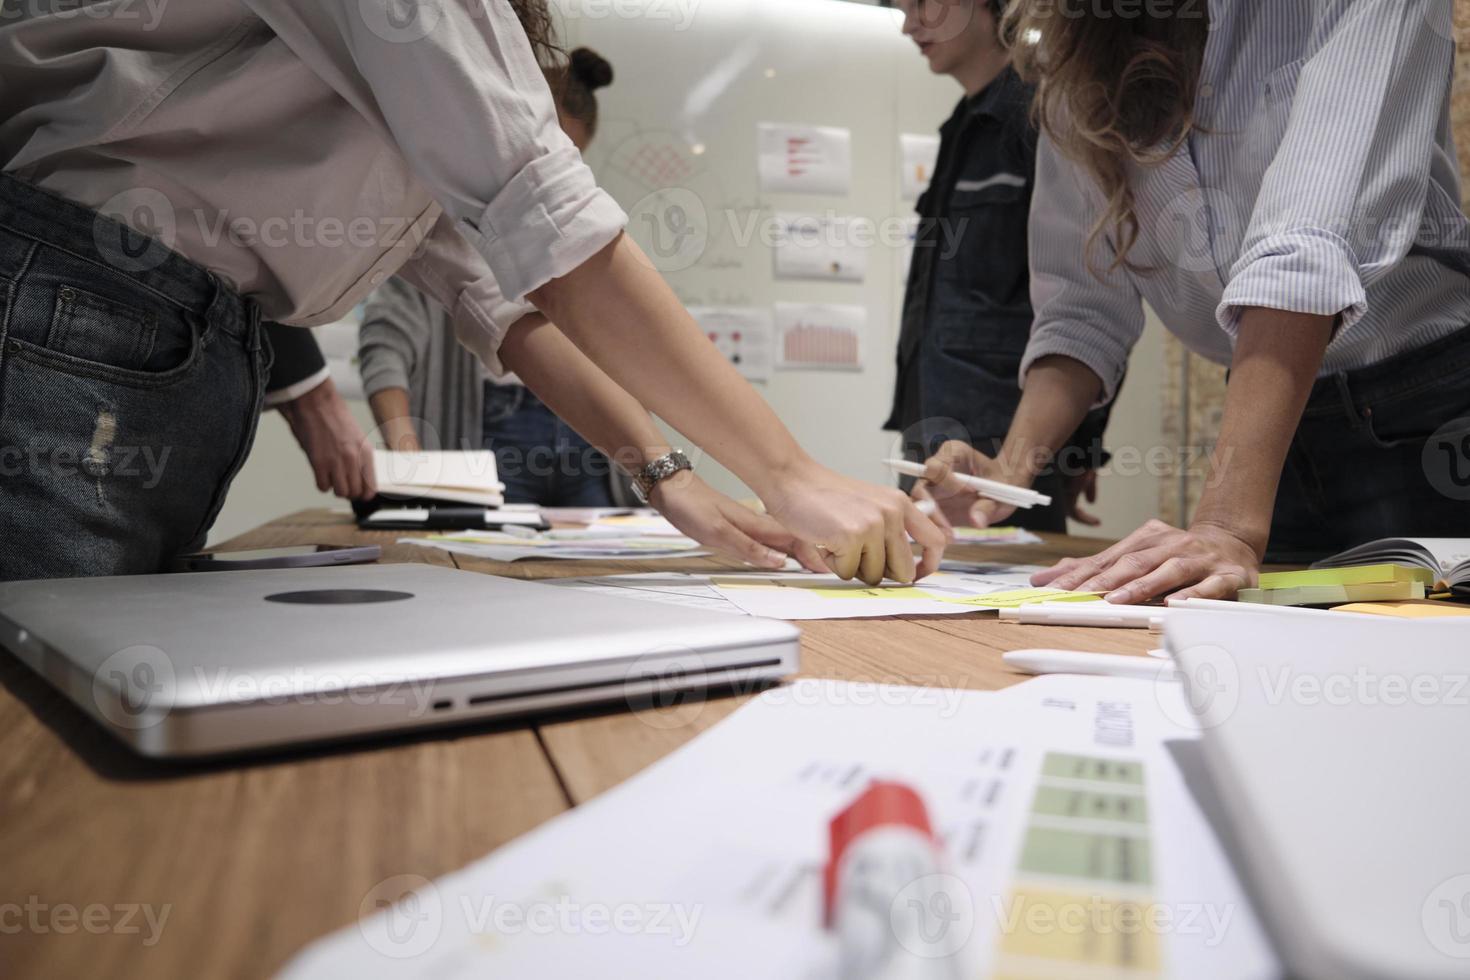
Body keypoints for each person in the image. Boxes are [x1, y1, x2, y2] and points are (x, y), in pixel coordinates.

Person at [0, 1, 944, 585]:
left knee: (89, 673)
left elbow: (510, 306)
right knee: (41, 737)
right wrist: (796, 473)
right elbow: (548, 230)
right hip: (82, 304)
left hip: (145, 335)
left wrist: (673, 477)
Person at [916, 0, 1470, 602]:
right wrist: (1010, 469)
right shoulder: (1080, 42)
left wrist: (1227, 523)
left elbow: (1305, 246)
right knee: (1267, 666)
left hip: (1427, 414)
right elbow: (1081, 309)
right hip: (1273, 421)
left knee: (1430, 669)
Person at [360, 48, 625, 508]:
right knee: (493, 563)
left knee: (596, 567)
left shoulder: (583, 224)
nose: (546, 173)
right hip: (497, 424)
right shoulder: (443, 217)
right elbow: (387, 339)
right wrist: (408, 460)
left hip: (584, 430)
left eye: (567, 159)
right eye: (541, 151)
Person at [887, 0, 1113, 532]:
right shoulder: (960, 128)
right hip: (931, 429)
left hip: (1011, 443)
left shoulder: (1045, 117)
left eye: (922, 3)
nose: (908, 23)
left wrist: (1078, 449)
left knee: (997, 612)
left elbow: (1091, 299)